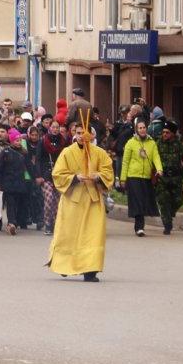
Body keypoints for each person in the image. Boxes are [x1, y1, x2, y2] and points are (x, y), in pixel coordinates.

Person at [47, 120, 114, 282]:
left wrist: (98, 176)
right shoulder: (67, 153)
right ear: (73, 134)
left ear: (91, 135)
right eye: (78, 133)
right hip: (72, 200)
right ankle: (64, 264)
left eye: (84, 133)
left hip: (93, 201)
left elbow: (108, 171)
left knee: (93, 236)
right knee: (68, 234)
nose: (81, 137)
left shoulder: (99, 153)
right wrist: (75, 177)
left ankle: (90, 270)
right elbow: (58, 174)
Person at [119, 120, 161, 237]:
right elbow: (125, 162)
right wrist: (123, 179)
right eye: (140, 128)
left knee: (143, 201)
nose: (142, 129)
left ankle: (140, 226)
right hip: (133, 176)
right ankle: (139, 227)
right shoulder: (130, 143)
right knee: (137, 201)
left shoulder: (152, 143)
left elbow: (156, 157)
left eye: (144, 127)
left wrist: (159, 169)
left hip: (146, 177)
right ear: (136, 130)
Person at [0, 129, 31, 236]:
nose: (18, 142)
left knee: (17, 203)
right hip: (8, 183)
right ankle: (11, 223)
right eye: (16, 140)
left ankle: (15, 221)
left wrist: (36, 177)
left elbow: (29, 167)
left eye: (19, 140)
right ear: (11, 141)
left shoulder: (24, 152)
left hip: (20, 183)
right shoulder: (5, 152)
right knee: (10, 203)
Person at [155, 120, 183, 235]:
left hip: (176, 178)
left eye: (167, 132)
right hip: (162, 178)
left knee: (179, 200)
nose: (164, 134)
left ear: (173, 133)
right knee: (163, 201)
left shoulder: (179, 145)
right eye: (163, 132)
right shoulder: (157, 144)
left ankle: (169, 213)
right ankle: (167, 224)